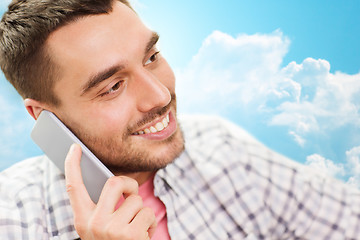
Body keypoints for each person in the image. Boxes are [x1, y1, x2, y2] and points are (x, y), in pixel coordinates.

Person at [0, 0, 359, 239]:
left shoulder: (219, 148)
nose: (159, 96)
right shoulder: (14, 214)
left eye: (151, 56)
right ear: (44, 117)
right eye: (112, 86)